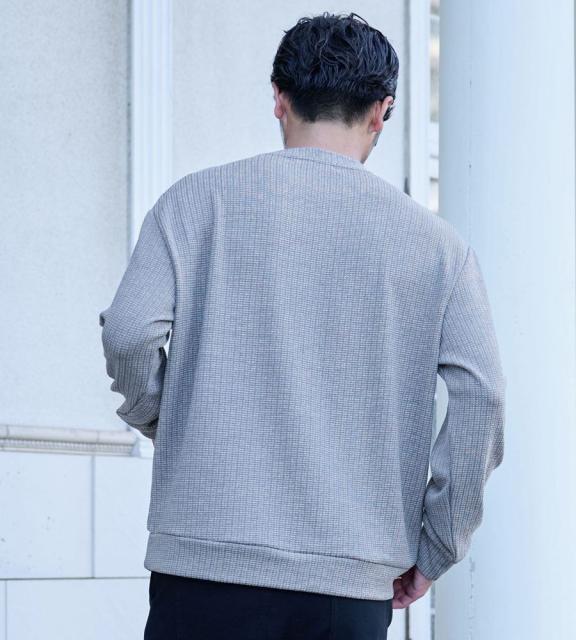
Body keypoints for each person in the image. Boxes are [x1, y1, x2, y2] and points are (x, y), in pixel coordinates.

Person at [98, 11, 506, 640]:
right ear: (381, 113)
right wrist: (436, 546)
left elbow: (129, 333)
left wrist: (168, 419)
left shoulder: (194, 202)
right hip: (348, 584)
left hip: (202, 566)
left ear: (279, 99)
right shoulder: (438, 249)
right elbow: (482, 398)